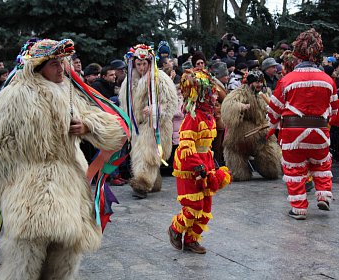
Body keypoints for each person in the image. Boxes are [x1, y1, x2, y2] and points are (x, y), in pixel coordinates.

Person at [0, 39, 125, 279]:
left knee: (66, 258)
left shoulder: (69, 92)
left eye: (62, 63)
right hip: (30, 193)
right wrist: (5, 189)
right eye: (54, 64)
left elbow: (112, 129)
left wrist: (88, 126)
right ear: (38, 67)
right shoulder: (15, 95)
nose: (61, 69)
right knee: (23, 261)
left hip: (69, 188)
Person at [267, 28, 339, 220]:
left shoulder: (286, 80)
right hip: (319, 132)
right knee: (321, 164)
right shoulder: (328, 80)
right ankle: (324, 195)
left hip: (293, 134)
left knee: (294, 168)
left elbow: (274, 109)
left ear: (297, 55)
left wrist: (272, 125)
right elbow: (335, 111)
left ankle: (299, 208)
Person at [168, 68, 232, 254]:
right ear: (201, 94)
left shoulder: (209, 116)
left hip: (206, 163)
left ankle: (190, 240)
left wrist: (211, 165)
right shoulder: (192, 118)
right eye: (211, 94)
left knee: (205, 208)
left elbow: (207, 145)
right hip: (190, 166)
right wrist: (198, 165)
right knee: (193, 206)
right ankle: (175, 228)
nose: (214, 97)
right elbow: (186, 146)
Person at [119, 44, 177, 198]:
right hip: (136, 125)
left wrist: (156, 109)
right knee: (140, 154)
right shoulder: (128, 82)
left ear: (150, 62)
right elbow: (125, 104)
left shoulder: (161, 79)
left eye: (145, 64)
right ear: (133, 63)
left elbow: (171, 102)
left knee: (147, 153)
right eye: (138, 64)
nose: (142, 67)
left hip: (155, 125)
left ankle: (142, 184)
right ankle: (154, 182)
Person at [222, 70, 281, 181]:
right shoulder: (240, 92)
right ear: (249, 83)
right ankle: (240, 172)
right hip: (239, 137)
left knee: (271, 170)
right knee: (240, 175)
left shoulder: (266, 93)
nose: (258, 85)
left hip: (262, 135)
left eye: (260, 82)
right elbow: (229, 105)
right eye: (256, 82)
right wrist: (241, 107)